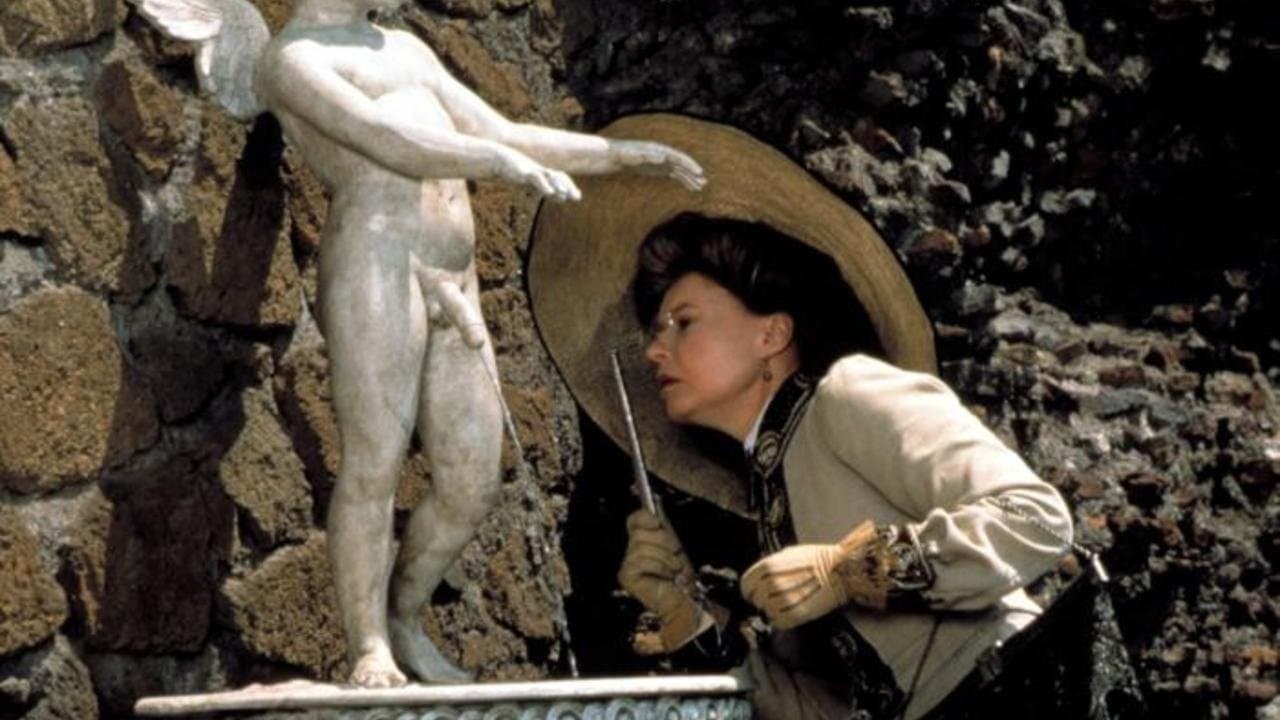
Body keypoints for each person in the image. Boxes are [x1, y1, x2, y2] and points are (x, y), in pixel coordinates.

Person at [133, 0, 705, 689]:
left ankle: (405, 616)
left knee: (472, 478)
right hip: (377, 261)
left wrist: (620, 156)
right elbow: (389, 141)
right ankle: (368, 643)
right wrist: (499, 162)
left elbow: (502, 128)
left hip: (454, 272)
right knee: (373, 462)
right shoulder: (292, 60)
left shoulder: (402, 47)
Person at [527, 115, 1073, 719]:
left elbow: (1036, 519)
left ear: (772, 334)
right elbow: (819, 712)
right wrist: (684, 610)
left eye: (684, 321)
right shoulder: (772, 499)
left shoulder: (848, 393)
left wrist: (846, 571)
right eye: (657, 331)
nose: (657, 350)